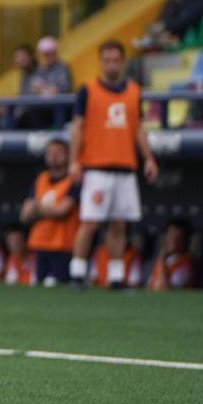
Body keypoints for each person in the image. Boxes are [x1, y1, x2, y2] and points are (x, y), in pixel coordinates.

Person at [68, 40, 158, 290]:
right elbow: (78, 127)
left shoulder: (134, 91)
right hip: (96, 166)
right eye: (107, 60)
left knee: (120, 223)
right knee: (90, 221)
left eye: (116, 59)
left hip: (125, 165)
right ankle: (77, 272)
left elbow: (139, 127)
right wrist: (74, 160)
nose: (111, 64)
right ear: (101, 62)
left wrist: (148, 157)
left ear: (123, 61)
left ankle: (116, 276)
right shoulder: (88, 89)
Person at [20, 138, 80, 287]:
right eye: (50, 152)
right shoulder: (41, 179)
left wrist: (38, 208)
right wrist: (47, 209)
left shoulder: (74, 180)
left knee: (58, 288)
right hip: (39, 244)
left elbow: (62, 210)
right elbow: (24, 215)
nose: (54, 156)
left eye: (58, 152)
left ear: (68, 155)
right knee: (40, 289)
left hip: (63, 246)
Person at [147, 219, 196, 291]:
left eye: (179, 238)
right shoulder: (164, 259)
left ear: (186, 241)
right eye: (171, 235)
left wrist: (162, 260)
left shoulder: (186, 264)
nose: (174, 241)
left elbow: (163, 289)